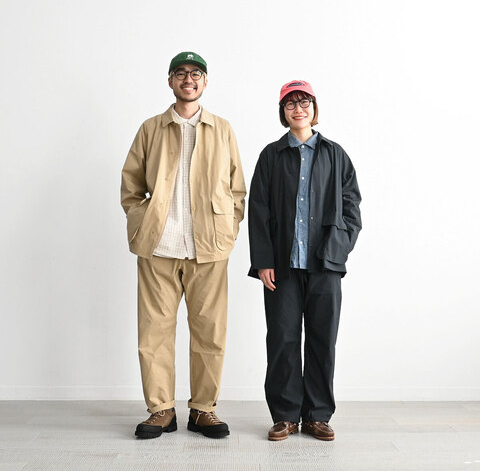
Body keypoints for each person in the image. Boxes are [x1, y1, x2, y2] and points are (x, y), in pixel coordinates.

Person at [121, 51, 246, 439]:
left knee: (210, 332)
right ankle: (161, 410)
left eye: (195, 74)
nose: (188, 79)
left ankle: (204, 410)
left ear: (205, 82)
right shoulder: (151, 128)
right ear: (170, 81)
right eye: (181, 73)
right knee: (154, 333)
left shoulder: (222, 129)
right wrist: (142, 220)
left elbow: (237, 189)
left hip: (208, 246)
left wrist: (227, 229)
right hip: (159, 246)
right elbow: (130, 187)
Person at [248, 80, 361, 441]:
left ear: (314, 108)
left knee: (322, 340)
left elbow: (351, 207)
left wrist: (337, 250)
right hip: (281, 266)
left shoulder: (335, 154)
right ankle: (285, 415)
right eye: (291, 104)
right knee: (282, 339)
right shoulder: (271, 155)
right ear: (283, 112)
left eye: (304, 102)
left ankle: (317, 415)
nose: (298, 109)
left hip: (324, 264)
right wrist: (263, 260)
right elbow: (258, 209)